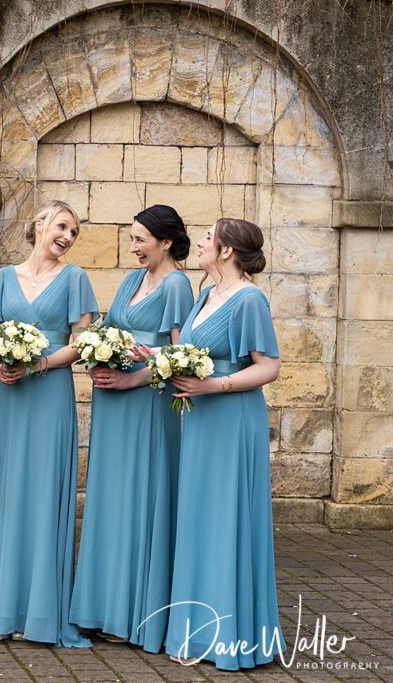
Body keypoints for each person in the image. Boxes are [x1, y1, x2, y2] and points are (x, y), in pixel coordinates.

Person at [69, 205, 194, 652]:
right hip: (112, 405)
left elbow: (183, 359)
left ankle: (137, 616)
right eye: (131, 238)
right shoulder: (129, 280)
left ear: (165, 242)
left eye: (141, 239)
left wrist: (131, 377)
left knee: (141, 500)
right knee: (110, 500)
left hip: (148, 407)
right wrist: (98, 357)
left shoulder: (178, 286)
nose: (134, 246)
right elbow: (112, 331)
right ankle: (100, 609)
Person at [163, 219, 284, 670]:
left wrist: (219, 386)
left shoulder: (249, 299)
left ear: (228, 250)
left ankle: (235, 635)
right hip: (199, 421)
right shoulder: (205, 294)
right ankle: (198, 631)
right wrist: (153, 358)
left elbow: (268, 366)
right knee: (200, 518)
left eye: (209, 237)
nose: (201, 243)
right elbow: (192, 353)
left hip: (232, 419)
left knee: (227, 518)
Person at [0, 200, 97, 647]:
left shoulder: (75, 279)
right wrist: (1, 364)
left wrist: (38, 365)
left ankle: (43, 610)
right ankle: (4, 606)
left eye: (74, 233)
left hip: (49, 394)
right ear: (40, 225)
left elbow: (82, 342)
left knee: (46, 493)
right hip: (10, 396)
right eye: (63, 226)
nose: (67, 237)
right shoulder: (0, 279)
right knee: (10, 492)